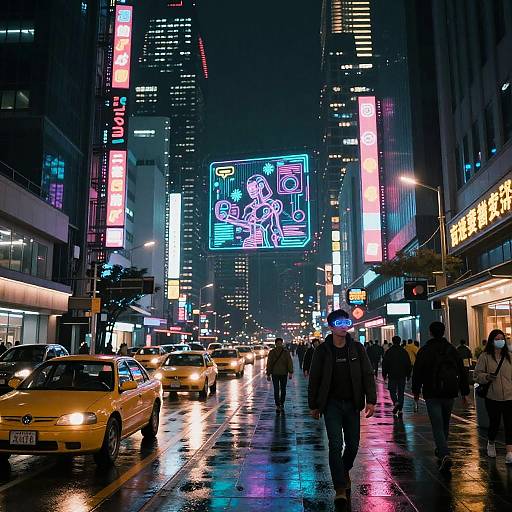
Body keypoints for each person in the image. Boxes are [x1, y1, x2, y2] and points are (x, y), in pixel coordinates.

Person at [308, 309, 376, 503]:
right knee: (335, 445)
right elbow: (315, 378)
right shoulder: (322, 350)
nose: (343, 327)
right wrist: (313, 405)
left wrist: (371, 400)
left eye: (346, 322)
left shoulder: (356, 348)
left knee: (353, 445)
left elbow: (367, 374)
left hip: (353, 404)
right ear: (330, 327)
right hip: (331, 405)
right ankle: (339, 487)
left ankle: (343, 469)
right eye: (339, 323)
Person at [412, 321, 470, 471]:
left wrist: (416, 391)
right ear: (443, 332)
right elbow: (462, 371)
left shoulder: (425, 350)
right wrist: (464, 392)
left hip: (431, 393)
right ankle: (441, 449)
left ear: (430, 332)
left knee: (437, 425)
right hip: (450, 392)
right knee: (445, 423)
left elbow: (417, 372)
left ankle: (444, 453)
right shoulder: (452, 349)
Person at [474, 329, 512, 464]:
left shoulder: (509, 356)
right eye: (497, 338)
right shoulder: (485, 356)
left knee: (510, 424)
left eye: (502, 338)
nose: (500, 341)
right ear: (491, 341)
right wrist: (487, 377)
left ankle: (509, 452)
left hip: (509, 396)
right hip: (492, 396)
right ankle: (490, 442)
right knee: (494, 423)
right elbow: (477, 375)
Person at [382, 335, 412, 417]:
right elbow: (408, 363)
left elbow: (385, 364)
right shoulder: (404, 351)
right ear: (400, 341)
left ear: (392, 341)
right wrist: (408, 374)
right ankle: (400, 410)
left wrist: (384, 374)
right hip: (402, 375)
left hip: (392, 375)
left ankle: (396, 402)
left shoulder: (389, 351)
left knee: (392, 390)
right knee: (401, 392)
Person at [266, 337, 293, 413]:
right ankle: (281, 404)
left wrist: (268, 374)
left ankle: (278, 405)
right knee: (283, 389)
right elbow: (289, 362)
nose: (279, 344)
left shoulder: (272, 352)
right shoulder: (285, 352)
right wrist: (290, 372)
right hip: (283, 373)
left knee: (276, 390)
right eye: (279, 343)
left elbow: (269, 364)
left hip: (275, 374)